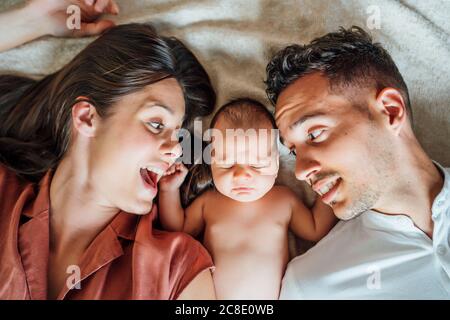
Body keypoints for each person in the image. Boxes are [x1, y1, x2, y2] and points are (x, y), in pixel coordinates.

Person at [0, 0, 217, 300]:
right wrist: (32, 21)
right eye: (156, 124)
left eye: (178, 136)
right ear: (87, 117)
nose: (175, 151)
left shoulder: (176, 271)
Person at [265, 26, 450, 299]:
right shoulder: (311, 285)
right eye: (293, 151)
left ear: (390, 110)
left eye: (315, 134)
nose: (302, 171)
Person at [158, 98, 337, 299]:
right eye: (226, 164)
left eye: (257, 165)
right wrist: (169, 190)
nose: (241, 175)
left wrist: (329, 188)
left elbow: (315, 229)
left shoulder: (283, 200)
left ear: (276, 164)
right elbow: (177, 230)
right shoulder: (210, 202)